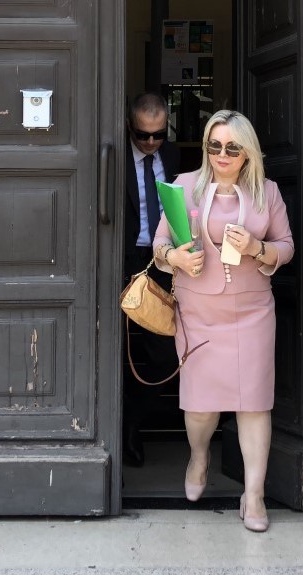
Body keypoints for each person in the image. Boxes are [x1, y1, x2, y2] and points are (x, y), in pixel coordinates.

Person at [152, 110, 294, 531]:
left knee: (254, 404)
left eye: (232, 147)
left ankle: (254, 495)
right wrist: (174, 257)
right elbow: (159, 244)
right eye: (214, 145)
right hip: (198, 312)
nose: (222, 154)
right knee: (200, 406)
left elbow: (286, 246)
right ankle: (199, 457)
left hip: (252, 312)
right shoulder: (183, 187)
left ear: (247, 151)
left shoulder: (268, 193)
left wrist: (256, 247)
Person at [123, 92, 181, 468]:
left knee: (164, 355)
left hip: (161, 264)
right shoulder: (114, 155)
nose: (150, 142)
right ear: (129, 127)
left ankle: (132, 423)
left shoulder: (172, 157)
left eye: (158, 134)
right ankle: (116, 431)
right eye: (142, 134)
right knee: (116, 350)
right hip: (121, 260)